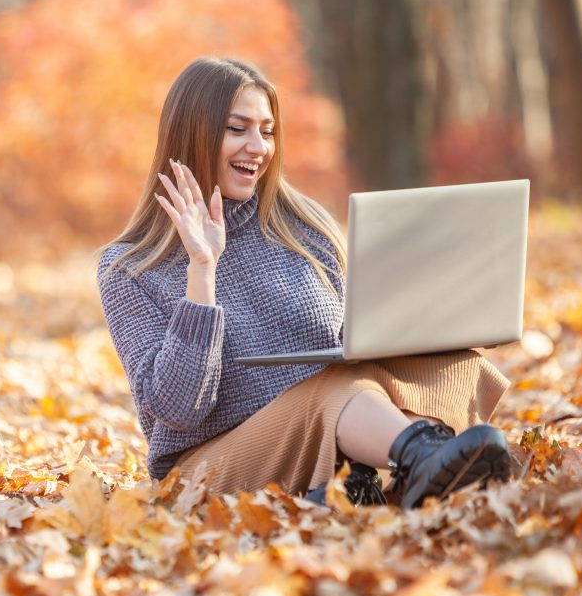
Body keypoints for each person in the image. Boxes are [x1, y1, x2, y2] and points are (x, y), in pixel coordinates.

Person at [96, 57, 513, 509]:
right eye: (238, 129)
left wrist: (422, 331)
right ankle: (417, 459)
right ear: (193, 133)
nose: (258, 146)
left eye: (268, 131)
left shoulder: (303, 226)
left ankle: (365, 480)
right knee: (330, 391)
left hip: (327, 423)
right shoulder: (128, 267)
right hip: (207, 470)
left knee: (457, 365)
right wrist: (202, 269)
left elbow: (350, 346)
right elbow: (179, 409)